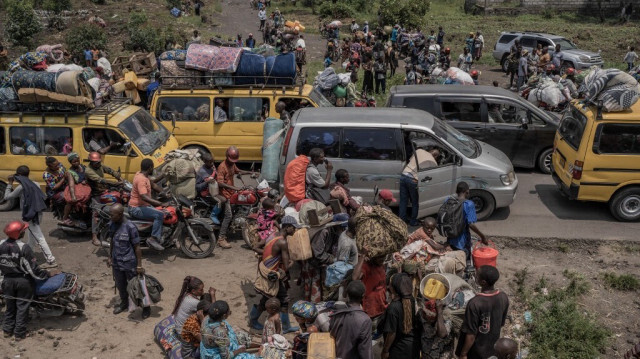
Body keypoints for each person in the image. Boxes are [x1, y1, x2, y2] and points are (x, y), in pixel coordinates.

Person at [0, 221, 55, 341]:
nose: (24, 232)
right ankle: (19, 334)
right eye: (23, 231)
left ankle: (7, 330)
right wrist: (47, 274)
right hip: (23, 282)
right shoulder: (24, 247)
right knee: (22, 307)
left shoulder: (1, 244)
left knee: (10, 307)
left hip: (7, 281)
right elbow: (33, 270)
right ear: (19, 234)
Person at [249, 216, 298, 332]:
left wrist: (273, 256)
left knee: (267, 298)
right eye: (293, 228)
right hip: (273, 275)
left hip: (266, 271)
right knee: (282, 299)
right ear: (287, 227)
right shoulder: (282, 241)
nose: (295, 230)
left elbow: (259, 248)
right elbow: (286, 266)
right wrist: (293, 261)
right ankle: (284, 326)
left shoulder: (272, 234)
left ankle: (254, 319)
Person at [2, 166, 57, 268]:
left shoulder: (21, 187)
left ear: (19, 175)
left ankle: (51, 260)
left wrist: (9, 183)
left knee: (39, 237)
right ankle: (27, 254)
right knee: (33, 236)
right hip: (38, 213)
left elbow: (6, 197)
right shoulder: (35, 183)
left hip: (30, 215)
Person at [105, 204, 150, 318]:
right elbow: (112, 242)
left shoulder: (130, 227)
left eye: (112, 214)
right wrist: (110, 257)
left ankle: (145, 307)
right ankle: (124, 303)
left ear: (120, 214)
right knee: (121, 285)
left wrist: (139, 265)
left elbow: (137, 247)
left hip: (129, 263)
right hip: (117, 262)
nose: (110, 217)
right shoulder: (112, 225)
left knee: (136, 286)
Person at [456, 266, 510, 359]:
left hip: (476, 351)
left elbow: (471, 335)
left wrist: (463, 354)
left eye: (477, 276)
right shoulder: (503, 297)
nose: (475, 277)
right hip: (492, 348)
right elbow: (501, 323)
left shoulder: (474, 303)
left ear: (483, 282)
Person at [217, 146, 258, 248]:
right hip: (224, 194)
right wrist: (234, 187)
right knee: (228, 215)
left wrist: (251, 172)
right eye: (231, 160)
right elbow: (220, 183)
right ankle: (221, 238)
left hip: (231, 192)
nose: (232, 162)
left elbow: (238, 171)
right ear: (227, 156)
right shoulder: (222, 167)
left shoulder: (232, 164)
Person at [128, 159, 167, 251]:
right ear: (150, 168)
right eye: (152, 167)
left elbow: (153, 185)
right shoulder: (141, 179)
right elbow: (144, 197)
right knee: (159, 214)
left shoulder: (142, 175)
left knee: (163, 211)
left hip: (143, 206)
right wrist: (161, 203)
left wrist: (166, 193)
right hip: (136, 208)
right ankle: (153, 238)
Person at [85, 151, 122, 246]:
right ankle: (94, 237)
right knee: (96, 213)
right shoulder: (88, 171)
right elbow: (101, 180)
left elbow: (110, 170)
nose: (98, 163)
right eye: (96, 162)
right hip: (95, 193)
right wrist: (114, 183)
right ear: (91, 162)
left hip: (103, 190)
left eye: (99, 162)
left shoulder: (100, 166)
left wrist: (119, 177)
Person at [329, 280, 373, 359]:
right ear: (363, 295)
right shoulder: (365, 320)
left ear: (348, 295)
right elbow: (365, 350)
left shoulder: (336, 314)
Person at [382, 273, 420, 359]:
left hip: (398, 350)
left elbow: (391, 333)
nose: (388, 286)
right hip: (413, 346)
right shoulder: (411, 300)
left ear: (394, 288)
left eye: (390, 285)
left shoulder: (393, 308)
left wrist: (385, 350)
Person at [446, 182, 488, 258]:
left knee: (453, 258)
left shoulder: (448, 200)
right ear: (467, 192)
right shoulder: (468, 204)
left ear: (456, 191)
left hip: (450, 236)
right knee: (464, 259)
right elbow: (471, 224)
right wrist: (483, 236)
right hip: (462, 241)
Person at [400, 147, 440, 226]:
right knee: (415, 202)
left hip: (404, 175)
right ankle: (413, 221)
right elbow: (430, 176)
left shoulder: (419, 151)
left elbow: (410, 160)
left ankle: (401, 220)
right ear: (436, 156)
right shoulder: (432, 161)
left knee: (403, 201)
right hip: (413, 180)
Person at [353, 249, 386, 323]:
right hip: (370, 310)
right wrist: (363, 256)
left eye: (384, 257)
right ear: (374, 256)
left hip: (382, 307)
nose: (382, 259)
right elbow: (355, 278)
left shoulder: (382, 266)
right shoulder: (367, 266)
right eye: (380, 257)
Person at [61, 152, 90, 225]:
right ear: (70, 162)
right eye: (74, 162)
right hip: (74, 188)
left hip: (84, 187)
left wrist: (86, 181)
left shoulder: (84, 167)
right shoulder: (70, 172)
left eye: (77, 161)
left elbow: (89, 177)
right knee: (70, 201)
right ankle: (65, 217)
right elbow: (71, 185)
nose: (76, 163)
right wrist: (73, 196)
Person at [195, 153, 223, 224]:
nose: (212, 163)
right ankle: (213, 215)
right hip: (206, 193)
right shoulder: (201, 172)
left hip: (214, 189)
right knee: (221, 201)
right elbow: (197, 187)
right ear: (204, 161)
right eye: (210, 162)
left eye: (212, 161)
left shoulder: (212, 167)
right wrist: (207, 182)